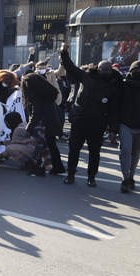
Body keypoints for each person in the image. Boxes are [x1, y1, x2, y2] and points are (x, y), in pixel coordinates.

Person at [60, 44, 122, 187]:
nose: (105, 71)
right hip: (80, 120)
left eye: (107, 69)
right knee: (74, 149)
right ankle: (70, 175)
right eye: (102, 69)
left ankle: (91, 177)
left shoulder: (114, 85)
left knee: (94, 153)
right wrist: (64, 52)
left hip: (98, 123)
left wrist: (113, 130)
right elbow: (70, 67)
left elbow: (114, 109)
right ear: (98, 69)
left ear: (111, 70)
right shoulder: (86, 76)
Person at [117, 60, 140, 193]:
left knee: (135, 154)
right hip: (125, 123)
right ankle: (126, 178)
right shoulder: (123, 85)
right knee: (126, 151)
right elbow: (116, 104)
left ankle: (131, 177)